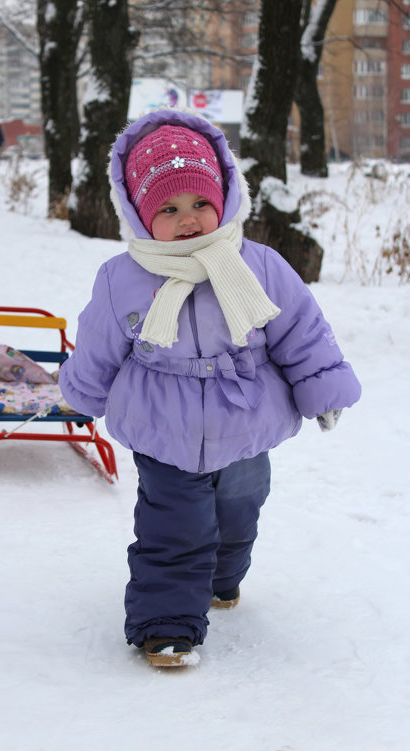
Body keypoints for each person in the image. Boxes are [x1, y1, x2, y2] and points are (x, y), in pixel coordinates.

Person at [58, 108, 361, 668]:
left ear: (224, 196)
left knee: (238, 514)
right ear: (141, 214)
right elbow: (100, 344)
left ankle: (223, 576)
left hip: (246, 423)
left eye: (200, 202)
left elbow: (302, 330)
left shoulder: (259, 266)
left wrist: (324, 389)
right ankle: (167, 623)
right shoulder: (122, 278)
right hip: (162, 427)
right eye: (169, 209)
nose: (190, 219)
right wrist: (82, 393)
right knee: (172, 526)